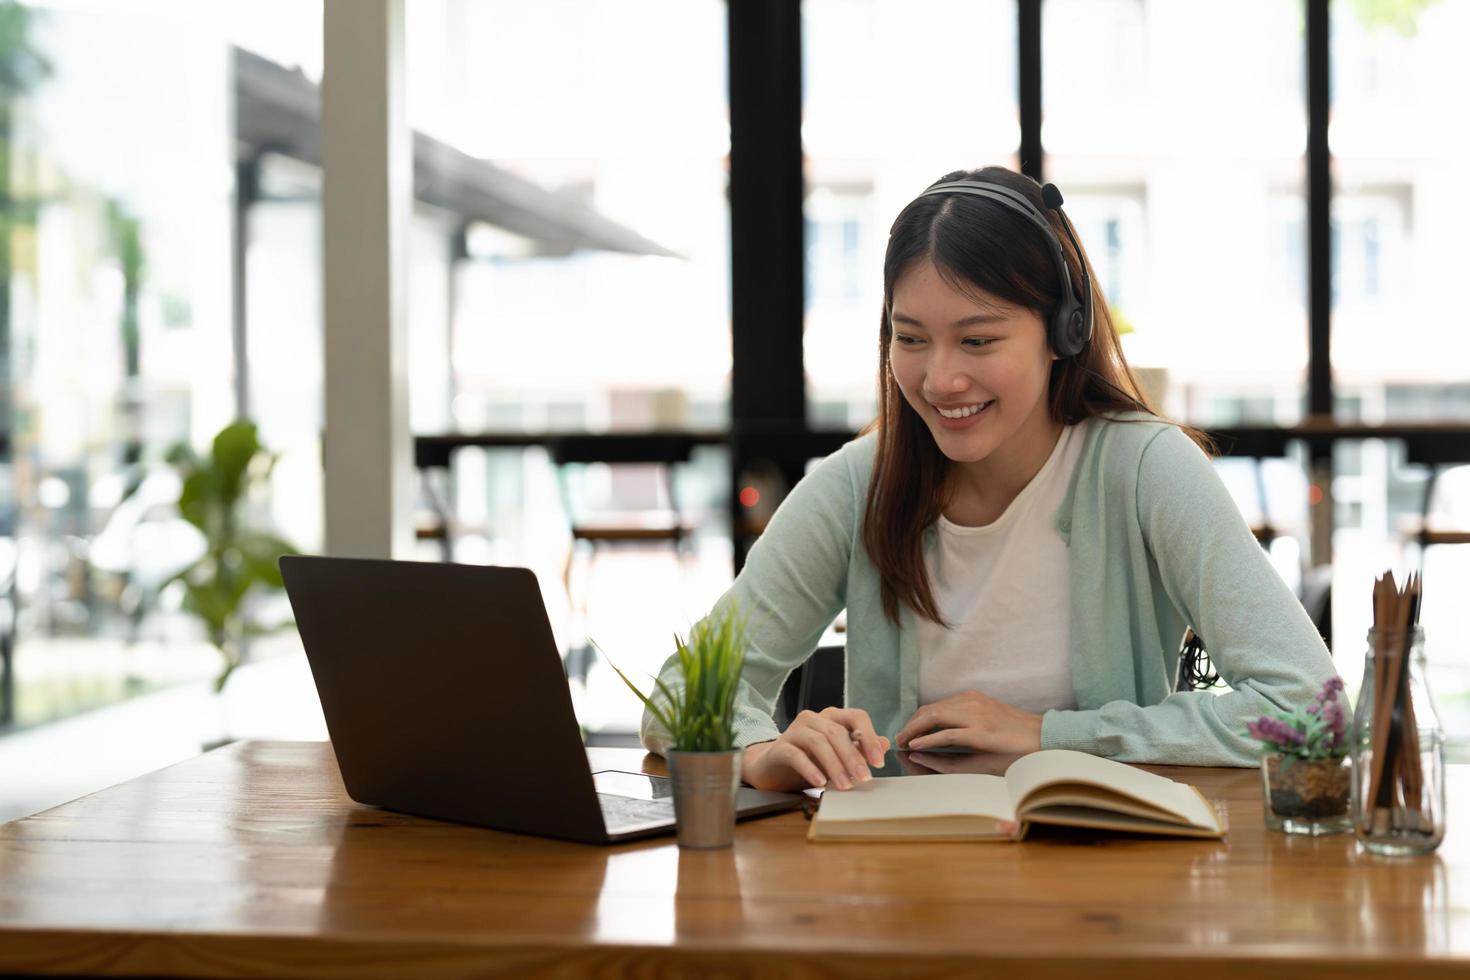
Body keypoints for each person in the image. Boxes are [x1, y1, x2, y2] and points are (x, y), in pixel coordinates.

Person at [640, 165, 1339, 793]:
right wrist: (759, 752)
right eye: (909, 338)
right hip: (902, 885)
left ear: (1061, 333)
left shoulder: (1143, 469)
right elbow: (681, 696)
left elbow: (1314, 710)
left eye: (978, 340)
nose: (940, 379)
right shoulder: (860, 485)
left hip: (1111, 885)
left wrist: (1046, 739)